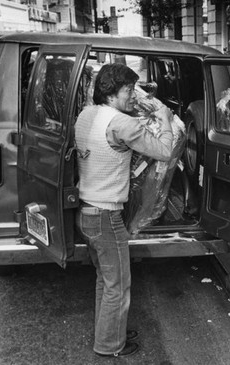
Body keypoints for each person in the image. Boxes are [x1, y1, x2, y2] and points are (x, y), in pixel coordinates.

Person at [74, 63, 173, 357]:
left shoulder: (86, 114)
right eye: (129, 89)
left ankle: (110, 332)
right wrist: (165, 119)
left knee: (106, 281)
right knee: (118, 285)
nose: (133, 95)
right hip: (106, 217)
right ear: (111, 93)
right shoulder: (121, 124)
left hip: (87, 212)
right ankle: (109, 345)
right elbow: (164, 150)